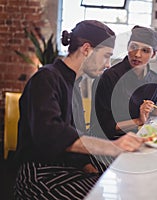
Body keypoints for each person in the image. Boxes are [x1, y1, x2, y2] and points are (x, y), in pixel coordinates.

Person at [13, 20, 148, 199]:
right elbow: (51, 133)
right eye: (106, 56)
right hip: (39, 175)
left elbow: (74, 133)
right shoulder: (46, 78)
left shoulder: (73, 84)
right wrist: (112, 147)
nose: (108, 64)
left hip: (65, 167)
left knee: (127, 178)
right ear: (86, 49)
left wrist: (87, 166)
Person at [93, 25, 157, 141]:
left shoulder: (156, 80)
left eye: (145, 50)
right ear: (127, 47)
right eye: (133, 47)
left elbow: (151, 109)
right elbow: (103, 126)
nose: (137, 54)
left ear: (153, 54)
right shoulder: (109, 77)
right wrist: (138, 120)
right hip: (112, 141)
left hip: (143, 136)